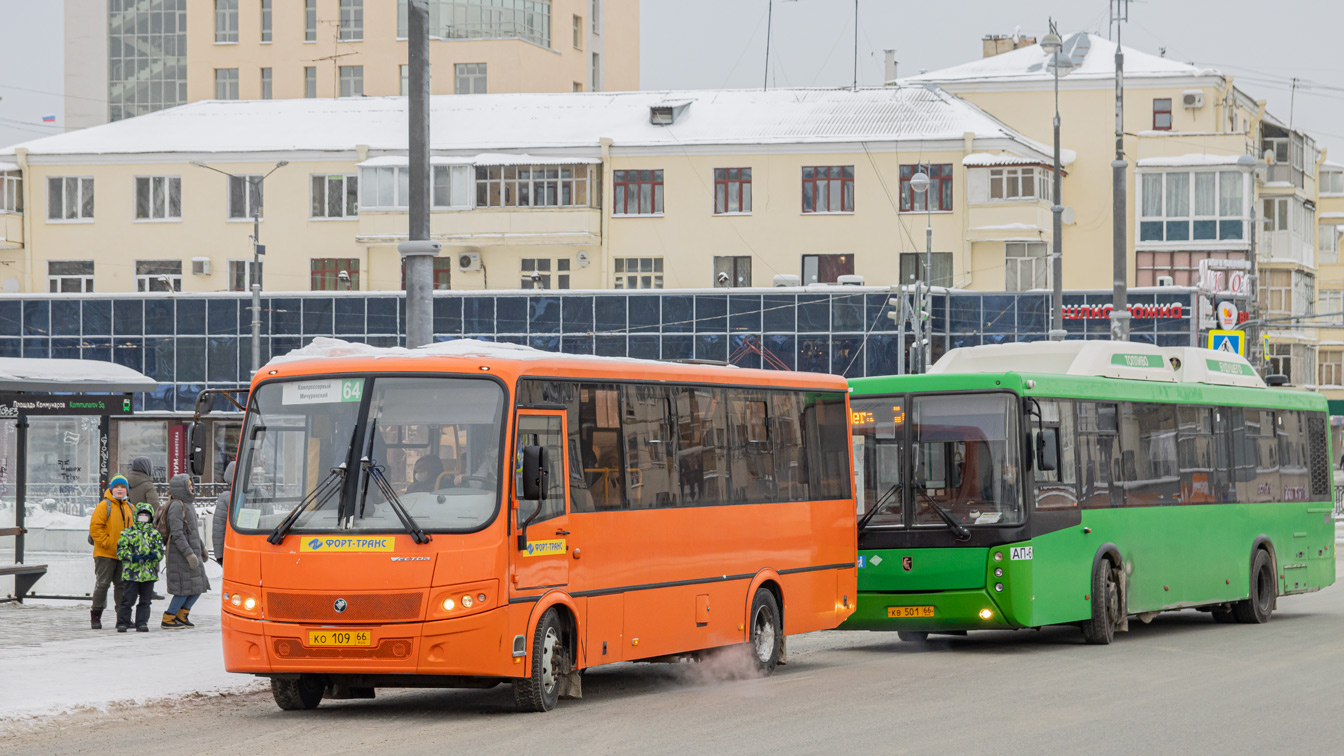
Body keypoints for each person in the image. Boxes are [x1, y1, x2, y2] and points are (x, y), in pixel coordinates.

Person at [162, 474, 210, 630]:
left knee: (198, 586)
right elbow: (177, 533)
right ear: (180, 488)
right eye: (188, 485)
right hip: (180, 555)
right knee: (183, 589)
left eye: (191, 484)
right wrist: (189, 554)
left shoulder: (188, 504)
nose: (191, 487)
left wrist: (201, 548)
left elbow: (192, 532)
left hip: (192, 552)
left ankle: (182, 615)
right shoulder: (177, 505)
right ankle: (169, 617)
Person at [88, 475, 134, 630]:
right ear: (111, 489)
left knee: (122, 585)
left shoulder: (130, 508)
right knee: (103, 584)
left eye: (122, 487)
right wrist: (107, 543)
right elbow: (96, 528)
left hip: (123, 554)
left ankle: (122, 618)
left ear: (127, 489)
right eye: (116, 487)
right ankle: (96, 616)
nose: (119, 489)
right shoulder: (104, 506)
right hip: (105, 554)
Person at [115, 502, 164, 633]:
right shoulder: (127, 533)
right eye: (141, 515)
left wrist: (153, 555)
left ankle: (142, 622)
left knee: (145, 601)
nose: (143, 518)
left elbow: (160, 551)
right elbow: (120, 551)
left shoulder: (155, 534)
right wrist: (132, 557)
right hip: (132, 573)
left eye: (146, 516)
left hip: (148, 574)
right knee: (128, 600)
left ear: (151, 518)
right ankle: (123, 622)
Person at [125, 456, 165, 600]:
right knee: (150, 557)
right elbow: (155, 506)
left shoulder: (126, 482)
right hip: (146, 526)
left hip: (130, 524)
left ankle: (132, 586)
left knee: (133, 555)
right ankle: (149, 589)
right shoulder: (148, 484)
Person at [211, 461, 236, 567]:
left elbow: (219, 529)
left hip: (233, 549)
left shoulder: (226, 498)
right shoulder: (260, 494)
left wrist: (220, 555)